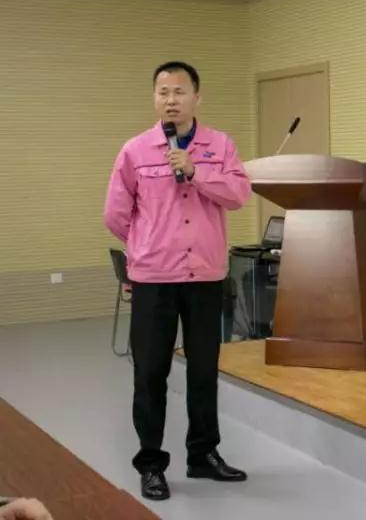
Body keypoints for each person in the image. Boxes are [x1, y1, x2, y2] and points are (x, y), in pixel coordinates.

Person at [104, 61, 251, 501]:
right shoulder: (135, 150)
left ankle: (203, 454)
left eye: (179, 91)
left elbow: (239, 195)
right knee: (150, 373)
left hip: (205, 276)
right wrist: (144, 250)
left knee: (204, 370)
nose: (171, 100)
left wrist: (197, 171)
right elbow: (115, 214)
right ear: (155, 98)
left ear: (197, 98)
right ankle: (151, 464)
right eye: (163, 92)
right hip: (154, 280)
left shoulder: (220, 146)